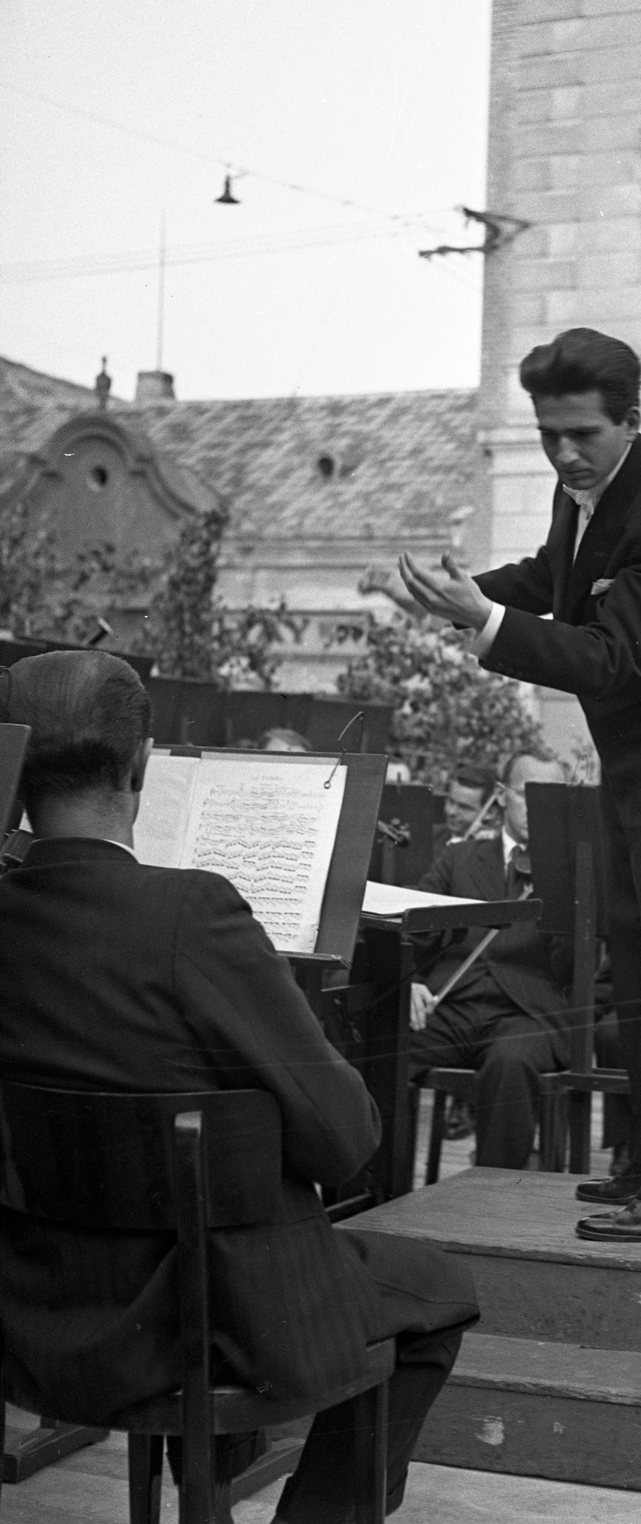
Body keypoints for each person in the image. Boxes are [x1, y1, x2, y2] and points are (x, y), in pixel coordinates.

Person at [0, 651, 478, 1524]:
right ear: (141, 767)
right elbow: (346, 1141)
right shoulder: (196, 914)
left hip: (34, 1316)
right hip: (200, 1320)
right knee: (438, 1290)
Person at [394, 327, 641, 1243]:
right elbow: (554, 579)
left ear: (631, 422)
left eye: (581, 436)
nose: (562, 453)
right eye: (547, 433)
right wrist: (465, 590)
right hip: (637, 758)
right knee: (639, 958)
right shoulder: (589, 489)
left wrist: (483, 622)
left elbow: (611, 655)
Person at [408, 749, 574, 1169]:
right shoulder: (458, 858)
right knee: (380, 1045)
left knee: (511, 1063)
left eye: (552, 796)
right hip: (452, 1006)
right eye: (527, 793)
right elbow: (412, 932)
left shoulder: (571, 870)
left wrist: (564, 880)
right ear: (501, 795)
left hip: (524, 1015)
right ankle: (375, 1190)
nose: (538, 807)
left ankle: (492, 1197)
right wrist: (408, 982)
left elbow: (577, 965)